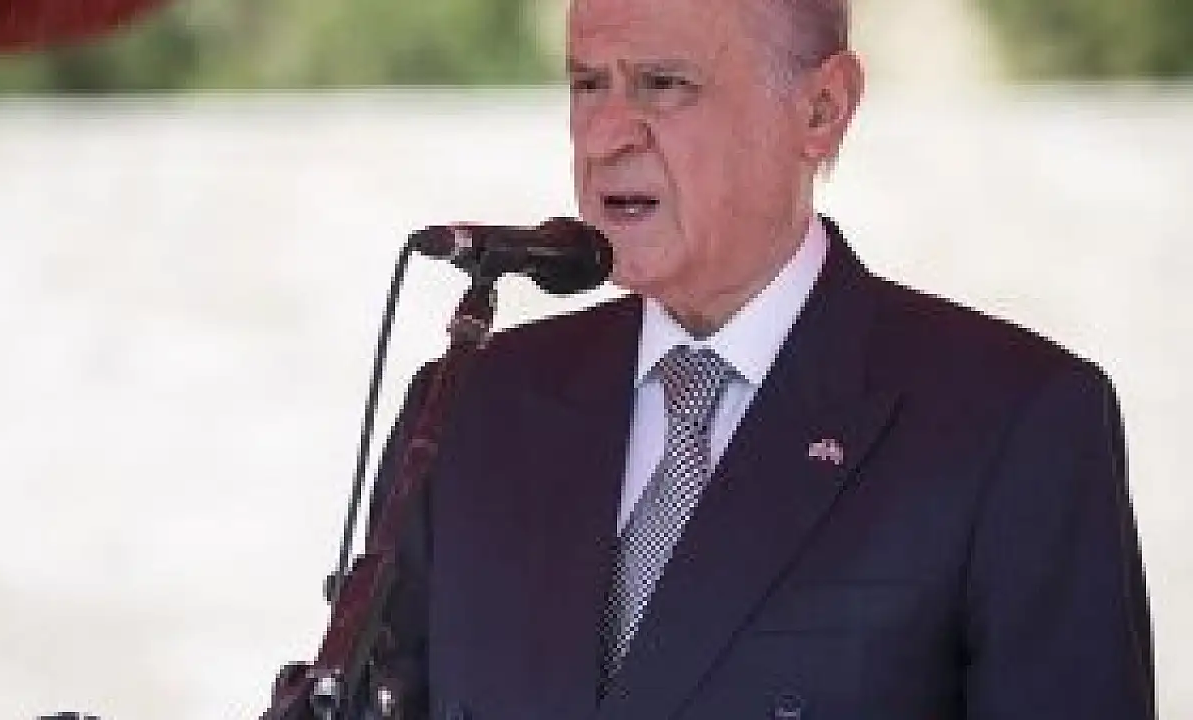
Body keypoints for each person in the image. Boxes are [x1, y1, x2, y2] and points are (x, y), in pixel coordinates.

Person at [366, 0, 1155, 718]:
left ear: (822, 109)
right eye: (586, 84)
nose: (605, 136)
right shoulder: (470, 411)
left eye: (663, 85)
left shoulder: (1015, 425)